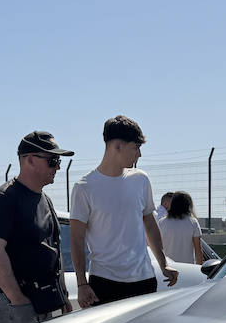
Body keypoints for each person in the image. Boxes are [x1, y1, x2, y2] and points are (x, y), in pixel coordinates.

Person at [70, 115, 178, 307]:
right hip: (104, 283)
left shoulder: (141, 179)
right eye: (136, 148)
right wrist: (81, 284)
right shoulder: (84, 187)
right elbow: (76, 239)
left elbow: (150, 225)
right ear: (117, 146)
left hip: (144, 280)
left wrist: (163, 264)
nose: (140, 155)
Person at [0, 130, 74, 323]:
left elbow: (54, 250)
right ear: (30, 160)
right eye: (52, 160)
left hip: (42, 299)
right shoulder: (5, 198)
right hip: (16, 301)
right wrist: (18, 300)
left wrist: (62, 294)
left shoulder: (44, 199)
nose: (58, 166)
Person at [159, 192, 204, 264]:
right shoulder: (193, 222)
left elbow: (157, 247)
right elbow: (198, 250)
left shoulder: (161, 222)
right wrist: (199, 269)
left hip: (167, 267)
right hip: (187, 268)